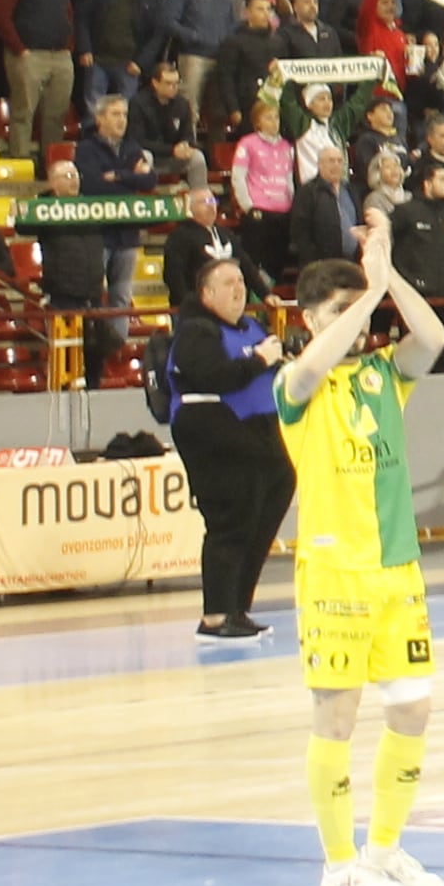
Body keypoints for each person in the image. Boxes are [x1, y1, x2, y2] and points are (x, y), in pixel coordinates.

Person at [278, 218, 444, 886]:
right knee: (338, 721)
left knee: (412, 712)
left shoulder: (384, 376)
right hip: (334, 572)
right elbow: (318, 361)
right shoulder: (296, 385)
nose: (356, 325)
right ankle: (338, 863)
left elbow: (433, 339)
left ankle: (384, 849)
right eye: (337, 313)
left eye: (361, 313)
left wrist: (387, 274)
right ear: (309, 318)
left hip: (397, 569)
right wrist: (364, 296)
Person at [169, 249, 297, 641]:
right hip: (214, 430)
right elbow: (211, 375)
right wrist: (259, 361)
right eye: (229, 283)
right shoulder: (196, 330)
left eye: (242, 282)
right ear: (206, 293)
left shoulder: (251, 327)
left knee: (272, 498)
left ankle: (238, 606)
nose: (239, 289)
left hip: (258, 431)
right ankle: (215, 615)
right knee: (231, 521)